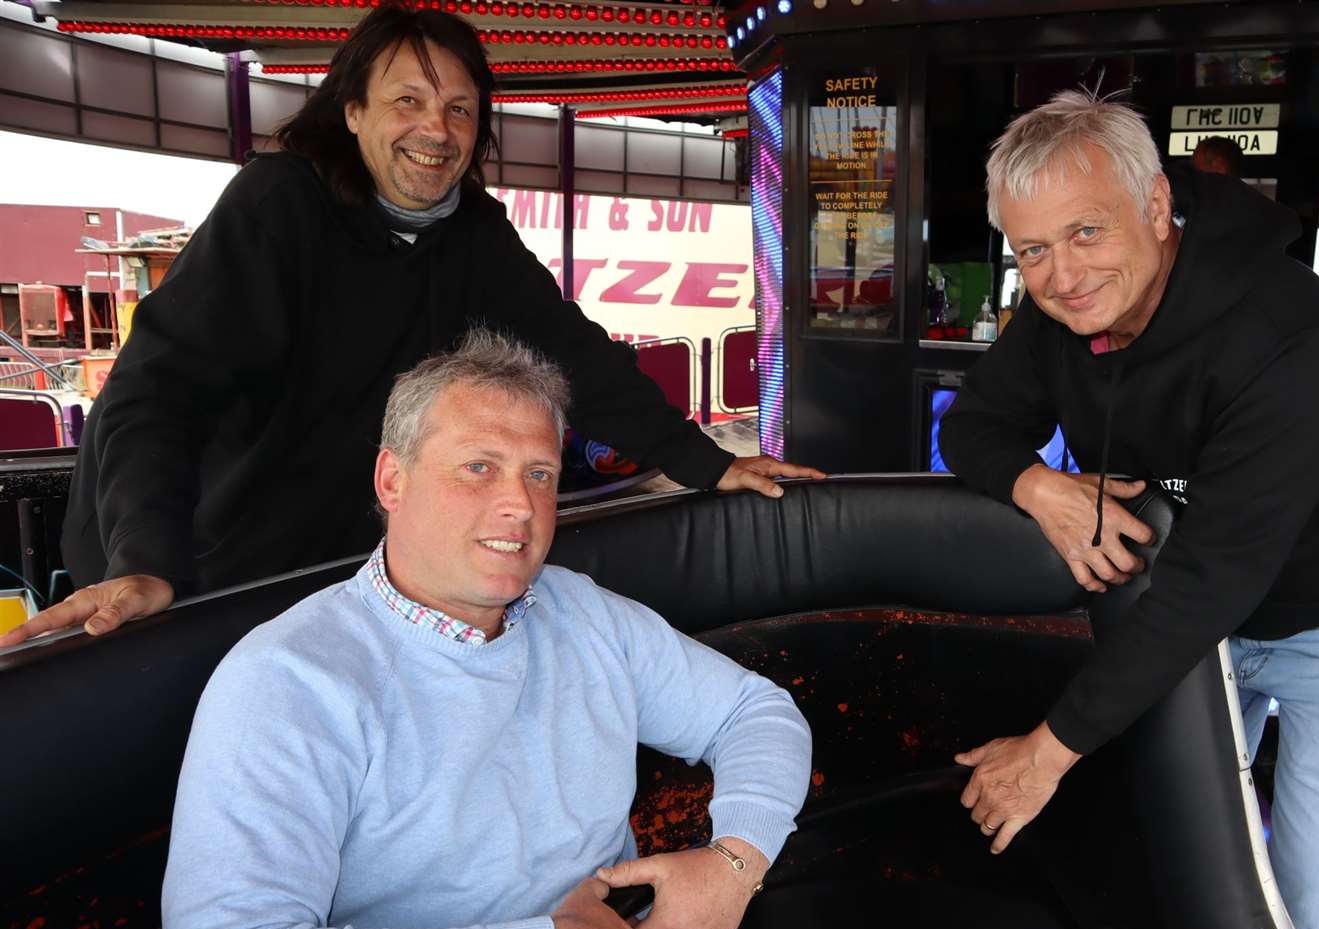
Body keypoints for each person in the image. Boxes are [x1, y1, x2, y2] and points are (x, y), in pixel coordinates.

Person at [160, 330, 964, 929]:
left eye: (538, 474)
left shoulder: (575, 610)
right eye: (479, 466)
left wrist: (735, 861)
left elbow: (754, 713)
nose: (518, 504)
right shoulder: (291, 680)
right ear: (391, 480)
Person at [0, 3, 820, 649]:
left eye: (460, 109)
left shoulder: (473, 231)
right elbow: (159, 391)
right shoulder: (280, 205)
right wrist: (144, 561)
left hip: (349, 556)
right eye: (408, 101)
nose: (437, 129)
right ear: (352, 112)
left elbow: (571, 353)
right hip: (209, 552)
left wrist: (707, 464)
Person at [941, 89, 1319, 929]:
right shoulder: (1061, 313)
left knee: (1312, 876)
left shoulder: (1286, 337)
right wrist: (1041, 486)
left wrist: (1046, 754)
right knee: (1171, 832)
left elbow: (1218, 575)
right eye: (1034, 249)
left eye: (1086, 232)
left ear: (1158, 206)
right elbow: (973, 424)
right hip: (1199, 616)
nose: (1061, 275)